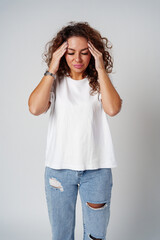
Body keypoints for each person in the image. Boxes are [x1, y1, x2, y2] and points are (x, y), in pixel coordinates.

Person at [28, 21, 122, 240]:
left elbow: (113, 109)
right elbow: (34, 108)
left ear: (93, 54)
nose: (77, 59)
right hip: (59, 170)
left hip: (97, 171)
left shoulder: (98, 83)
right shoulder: (54, 82)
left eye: (84, 53)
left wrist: (100, 69)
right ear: (62, 53)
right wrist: (52, 67)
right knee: (61, 235)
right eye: (70, 52)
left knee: (96, 236)